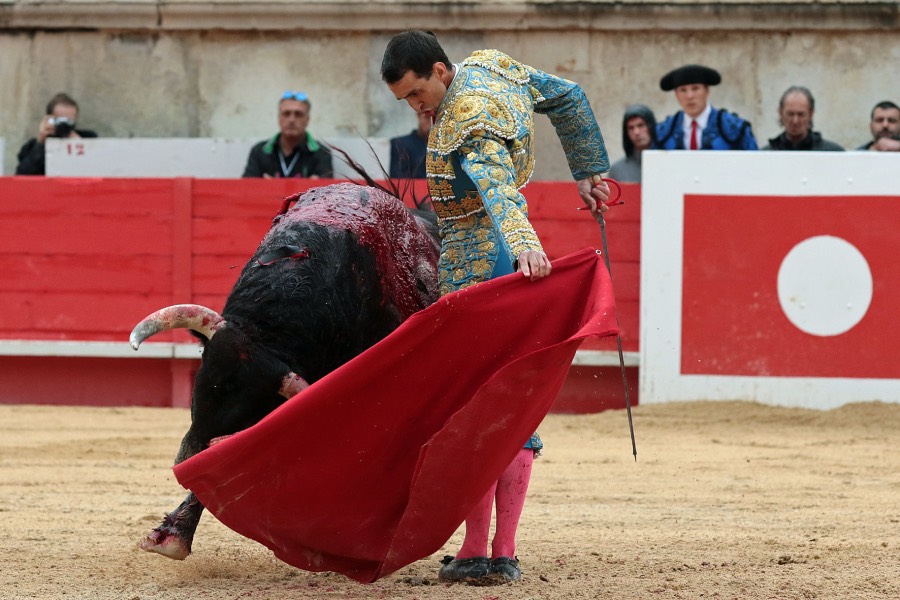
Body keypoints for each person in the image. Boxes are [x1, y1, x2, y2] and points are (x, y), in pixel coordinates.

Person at [381, 30, 611, 584]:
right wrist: (588, 171)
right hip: (508, 261)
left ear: (440, 71)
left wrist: (525, 241)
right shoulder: (491, 65)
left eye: (416, 94)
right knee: (514, 401)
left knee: (471, 407)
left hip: (477, 268)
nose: (415, 108)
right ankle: (503, 551)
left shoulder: (467, 119)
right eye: (404, 100)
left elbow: (497, 187)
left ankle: (475, 551)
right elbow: (568, 96)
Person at [656, 64, 757, 151]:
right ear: (676, 95)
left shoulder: (735, 128)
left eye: (695, 88)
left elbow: (754, 162)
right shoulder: (663, 131)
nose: (689, 96)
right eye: (683, 90)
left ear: (707, 91)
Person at [242, 91, 333, 178]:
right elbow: (246, 187)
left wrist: (269, 186)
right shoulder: (259, 151)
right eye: (286, 114)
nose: (291, 120)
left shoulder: (322, 153)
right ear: (279, 118)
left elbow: (327, 188)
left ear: (307, 120)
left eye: (298, 114)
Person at [16, 92, 98, 175]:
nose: (64, 125)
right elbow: (22, 175)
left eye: (69, 121)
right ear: (49, 120)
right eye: (60, 121)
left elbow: (97, 170)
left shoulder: (88, 139)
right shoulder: (32, 146)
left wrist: (80, 146)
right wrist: (40, 144)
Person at [762, 86, 844, 151]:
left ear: (811, 114)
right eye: (790, 114)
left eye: (801, 115)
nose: (795, 121)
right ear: (780, 113)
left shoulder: (832, 153)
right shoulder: (765, 155)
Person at [608, 104, 657, 183]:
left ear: (650, 126)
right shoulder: (617, 170)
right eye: (631, 128)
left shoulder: (667, 163)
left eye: (640, 125)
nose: (636, 132)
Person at [389, 111, 431, 179]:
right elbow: (398, 179)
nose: (431, 124)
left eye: (436, 120)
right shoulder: (401, 144)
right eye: (427, 118)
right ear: (419, 116)